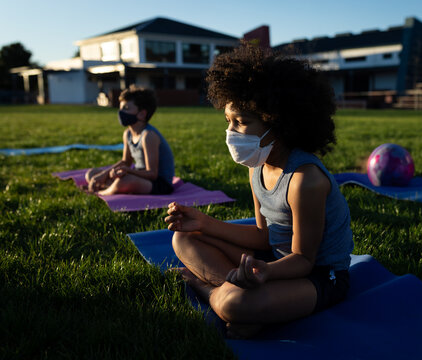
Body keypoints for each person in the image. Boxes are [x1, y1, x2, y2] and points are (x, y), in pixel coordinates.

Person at [165, 44, 354, 338]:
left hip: (319, 275)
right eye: (229, 121)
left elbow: (304, 260)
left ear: (276, 122)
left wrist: (265, 273)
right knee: (184, 238)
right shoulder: (256, 165)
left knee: (238, 304)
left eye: (241, 122)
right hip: (271, 259)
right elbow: (263, 235)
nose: (231, 132)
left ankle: (205, 287)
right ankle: (238, 299)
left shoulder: (306, 180)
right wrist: (203, 223)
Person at [85, 85, 175, 196]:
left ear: (142, 114)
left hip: (159, 184)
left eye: (126, 108)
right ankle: (109, 186)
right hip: (139, 176)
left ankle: (101, 192)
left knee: (125, 181)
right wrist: (104, 174)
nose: (121, 112)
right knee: (92, 174)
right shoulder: (127, 133)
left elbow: (152, 174)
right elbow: (126, 162)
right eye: (121, 108)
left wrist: (128, 171)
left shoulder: (149, 136)